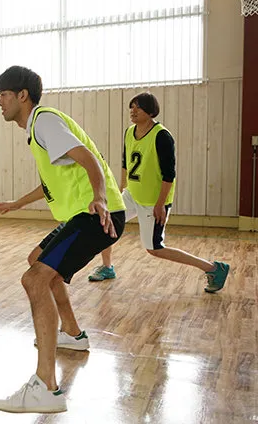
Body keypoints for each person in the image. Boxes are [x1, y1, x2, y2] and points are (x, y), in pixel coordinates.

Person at [0, 66, 126, 413]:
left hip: (93, 215)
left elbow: (88, 158)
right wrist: (17, 203)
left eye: (4, 95)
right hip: (84, 214)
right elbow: (53, 181)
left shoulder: (44, 121)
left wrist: (99, 197)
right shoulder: (38, 128)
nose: (0, 102)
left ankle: (46, 387)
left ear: (22, 96)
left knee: (34, 279)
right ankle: (72, 334)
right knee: (37, 262)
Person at [86, 92, 230, 292]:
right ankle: (107, 267)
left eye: (138, 107)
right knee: (105, 222)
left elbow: (169, 174)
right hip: (132, 195)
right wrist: (121, 190)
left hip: (153, 201)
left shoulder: (162, 136)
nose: (133, 111)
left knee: (155, 249)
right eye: (132, 107)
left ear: (151, 111)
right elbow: (126, 163)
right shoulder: (129, 132)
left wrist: (160, 204)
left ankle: (213, 268)